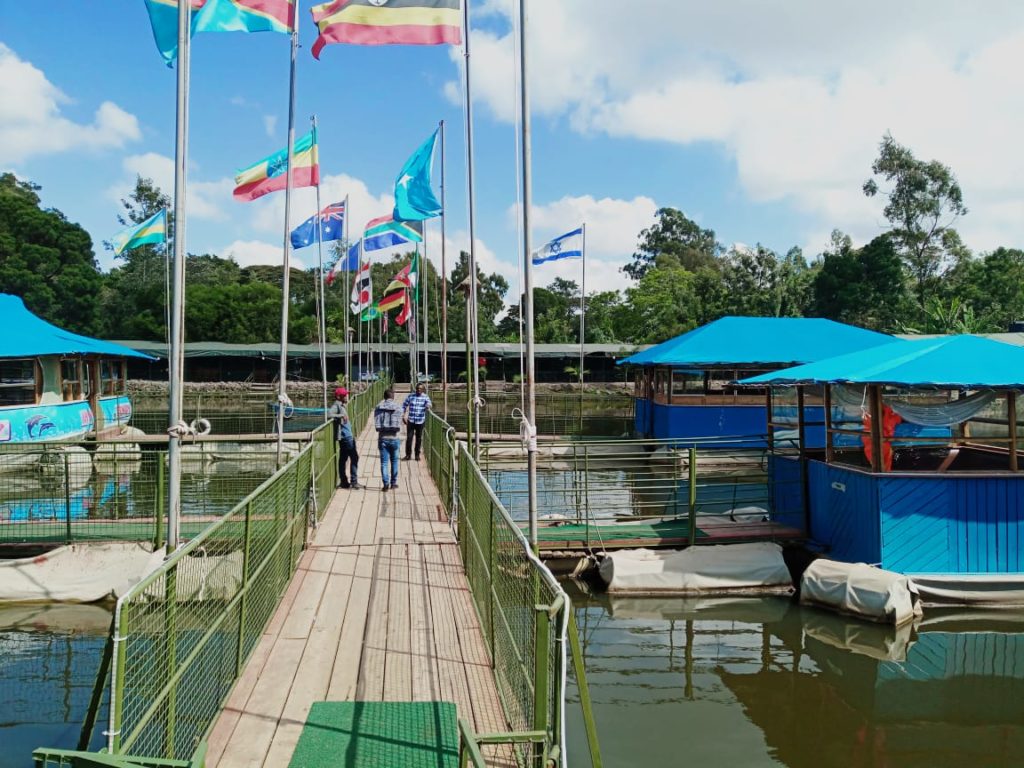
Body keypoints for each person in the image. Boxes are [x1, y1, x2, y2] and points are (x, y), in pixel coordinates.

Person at [327, 387, 359, 489]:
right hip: (346, 437)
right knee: (354, 457)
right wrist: (341, 415)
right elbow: (329, 414)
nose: (346, 396)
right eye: (344, 395)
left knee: (343, 459)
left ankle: (344, 481)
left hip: (345, 436)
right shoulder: (337, 405)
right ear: (338, 397)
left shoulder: (342, 405)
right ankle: (353, 481)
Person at [374, 387, 402, 491]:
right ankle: (393, 483)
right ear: (393, 396)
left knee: (384, 463)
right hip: (394, 437)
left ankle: (385, 484)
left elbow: (376, 422)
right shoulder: (398, 407)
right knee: (394, 461)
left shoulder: (378, 407)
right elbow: (399, 421)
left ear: (384, 396)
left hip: (383, 438)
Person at [402, 383, 433, 461]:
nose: (419, 390)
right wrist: (403, 416)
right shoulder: (411, 396)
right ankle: (408, 455)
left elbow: (429, 404)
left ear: (423, 390)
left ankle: (417, 455)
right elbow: (404, 405)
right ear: (415, 389)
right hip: (411, 420)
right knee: (409, 438)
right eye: (417, 388)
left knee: (418, 439)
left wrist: (427, 406)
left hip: (420, 421)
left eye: (420, 389)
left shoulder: (425, 397)